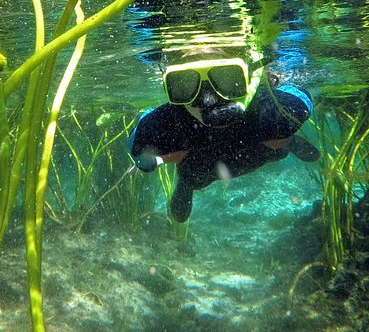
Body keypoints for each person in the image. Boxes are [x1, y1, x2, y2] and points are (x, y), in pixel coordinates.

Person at [128, 47, 318, 222]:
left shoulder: (271, 113)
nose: (208, 99)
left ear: (247, 78)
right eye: (186, 83)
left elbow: (301, 97)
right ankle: (186, 184)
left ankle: (288, 143)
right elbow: (137, 144)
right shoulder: (169, 122)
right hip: (201, 166)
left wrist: (270, 89)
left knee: (278, 141)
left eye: (226, 79)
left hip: (256, 150)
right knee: (192, 176)